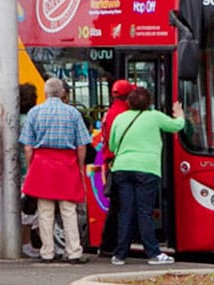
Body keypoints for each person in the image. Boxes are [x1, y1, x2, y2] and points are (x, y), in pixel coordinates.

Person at [109, 86, 184, 266]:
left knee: (126, 211)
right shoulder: (155, 116)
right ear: (148, 102)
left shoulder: (120, 118)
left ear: (129, 102)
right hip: (147, 169)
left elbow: (112, 146)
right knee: (144, 211)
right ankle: (153, 253)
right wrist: (179, 113)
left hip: (122, 168)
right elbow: (177, 126)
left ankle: (119, 255)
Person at [20, 77, 91, 264]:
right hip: (67, 165)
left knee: (45, 211)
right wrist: (80, 166)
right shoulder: (73, 113)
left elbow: (28, 147)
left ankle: (47, 252)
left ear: (45, 93)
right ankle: (73, 251)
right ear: (63, 93)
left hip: (42, 164)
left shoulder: (34, 113)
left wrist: (31, 167)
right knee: (68, 210)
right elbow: (82, 145)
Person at [95, 79, 133, 255]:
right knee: (119, 206)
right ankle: (109, 245)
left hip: (110, 161)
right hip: (119, 162)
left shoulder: (110, 112)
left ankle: (109, 244)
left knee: (116, 205)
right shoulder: (124, 113)